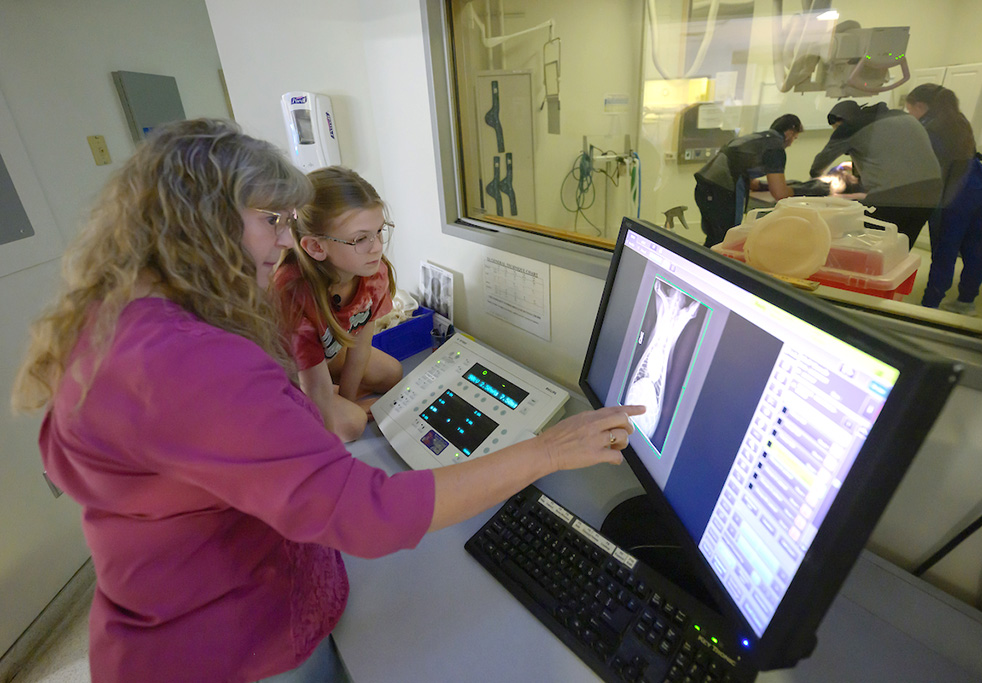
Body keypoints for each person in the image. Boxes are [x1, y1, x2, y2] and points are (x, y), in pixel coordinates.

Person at [10, 118, 642, 683]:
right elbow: (366, 512)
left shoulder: (117, 321)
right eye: (273, 221)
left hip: (181, 608)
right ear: (202, 222)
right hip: (231, 649)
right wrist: (546, 451)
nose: (285, 242)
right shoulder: (188, 363)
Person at [273, 167, 402, 442]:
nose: (377, 247)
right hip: (285, 375)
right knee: (352, 425)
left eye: (379, 231)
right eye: (360, 239)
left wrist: (348, 398)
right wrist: (345, 412)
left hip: (322, 358)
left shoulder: (373, 272)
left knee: (393, 374)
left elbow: (360, 346)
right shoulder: (292, 294)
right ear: (316, 247)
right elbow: (313, 382)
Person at [906, 84, 982, 315]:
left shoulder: (928, 129)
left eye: (910, 110)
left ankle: (930, 305)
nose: (910, 115)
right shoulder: (959, 120)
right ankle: (967, 302)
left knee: (944, 249)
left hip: (955, 192)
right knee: (976, 246)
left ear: (920, 106)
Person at [809, 100, 942, 247]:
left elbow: (817, 168)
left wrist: (816, 187)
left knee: (869, 245)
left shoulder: (849, 127)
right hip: (932, 192)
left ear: (842, 121)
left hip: (894, 197)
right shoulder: (902, 116)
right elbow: (894, 157)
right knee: (900, 247)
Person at [693, 114, 804, 247]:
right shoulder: (775, 147)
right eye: (795, 138)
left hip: (704, 187)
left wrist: (765, 186)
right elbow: (779, 193)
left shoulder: (756, 139)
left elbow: (752, 183)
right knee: (727, 241)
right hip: (723, 191)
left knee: (714, 239)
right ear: (789, 133)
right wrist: (802, 190)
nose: (791, 144)